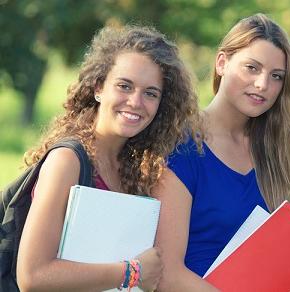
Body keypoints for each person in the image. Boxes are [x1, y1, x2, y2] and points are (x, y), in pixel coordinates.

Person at [153, 13, 290, 291]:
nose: (263, 85)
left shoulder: (278, 151)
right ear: (222, 63)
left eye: (276, 77)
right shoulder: (179, 145)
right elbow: (166, 274)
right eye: (252, 67)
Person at [16, 25, 202, 291]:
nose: (136, 102)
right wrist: (132, 272)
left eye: (151, 93)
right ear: (99, 87)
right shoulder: (68, 160)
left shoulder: (136, 168)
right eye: (124, 86)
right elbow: (32, 276)